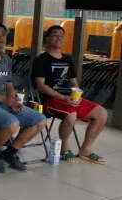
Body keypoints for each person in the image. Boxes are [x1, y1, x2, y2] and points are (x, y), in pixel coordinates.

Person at [0, 22, 47, 173]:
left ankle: (10, 153)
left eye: (3, 35)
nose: (1, 38)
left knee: (40, 120)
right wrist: (3, 99)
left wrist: (13, 101)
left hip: (2, 102)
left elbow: (9, 83)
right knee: (12, 123)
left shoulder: (6, 59)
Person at [32, 25, 108, 164]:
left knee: (101, 113)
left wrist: (76, 95)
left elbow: (73, 81)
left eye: (62, 35)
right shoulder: (41, 60)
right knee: (71, 113)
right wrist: (63, 98)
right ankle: (64, 148)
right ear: (47, 39)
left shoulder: (67, 59)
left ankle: (86, 149)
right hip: (50, 100)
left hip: (69, 98)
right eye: (55, 35)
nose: (59, 37)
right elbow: (41, 87)